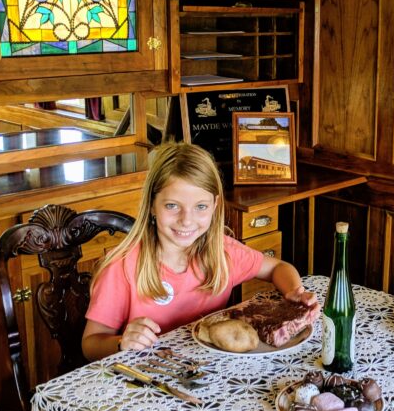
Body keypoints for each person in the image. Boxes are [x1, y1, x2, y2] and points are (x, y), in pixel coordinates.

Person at [82, 141, 317, 360]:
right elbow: (90, 344)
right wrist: (122, 342)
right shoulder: (122, 267)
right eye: (172, 206)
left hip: (210, 373)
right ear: (152, 205)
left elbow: (277, 267)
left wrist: (294, 291)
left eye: (200, 207)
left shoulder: (222, 251)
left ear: (215, 206)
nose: (187, 220)